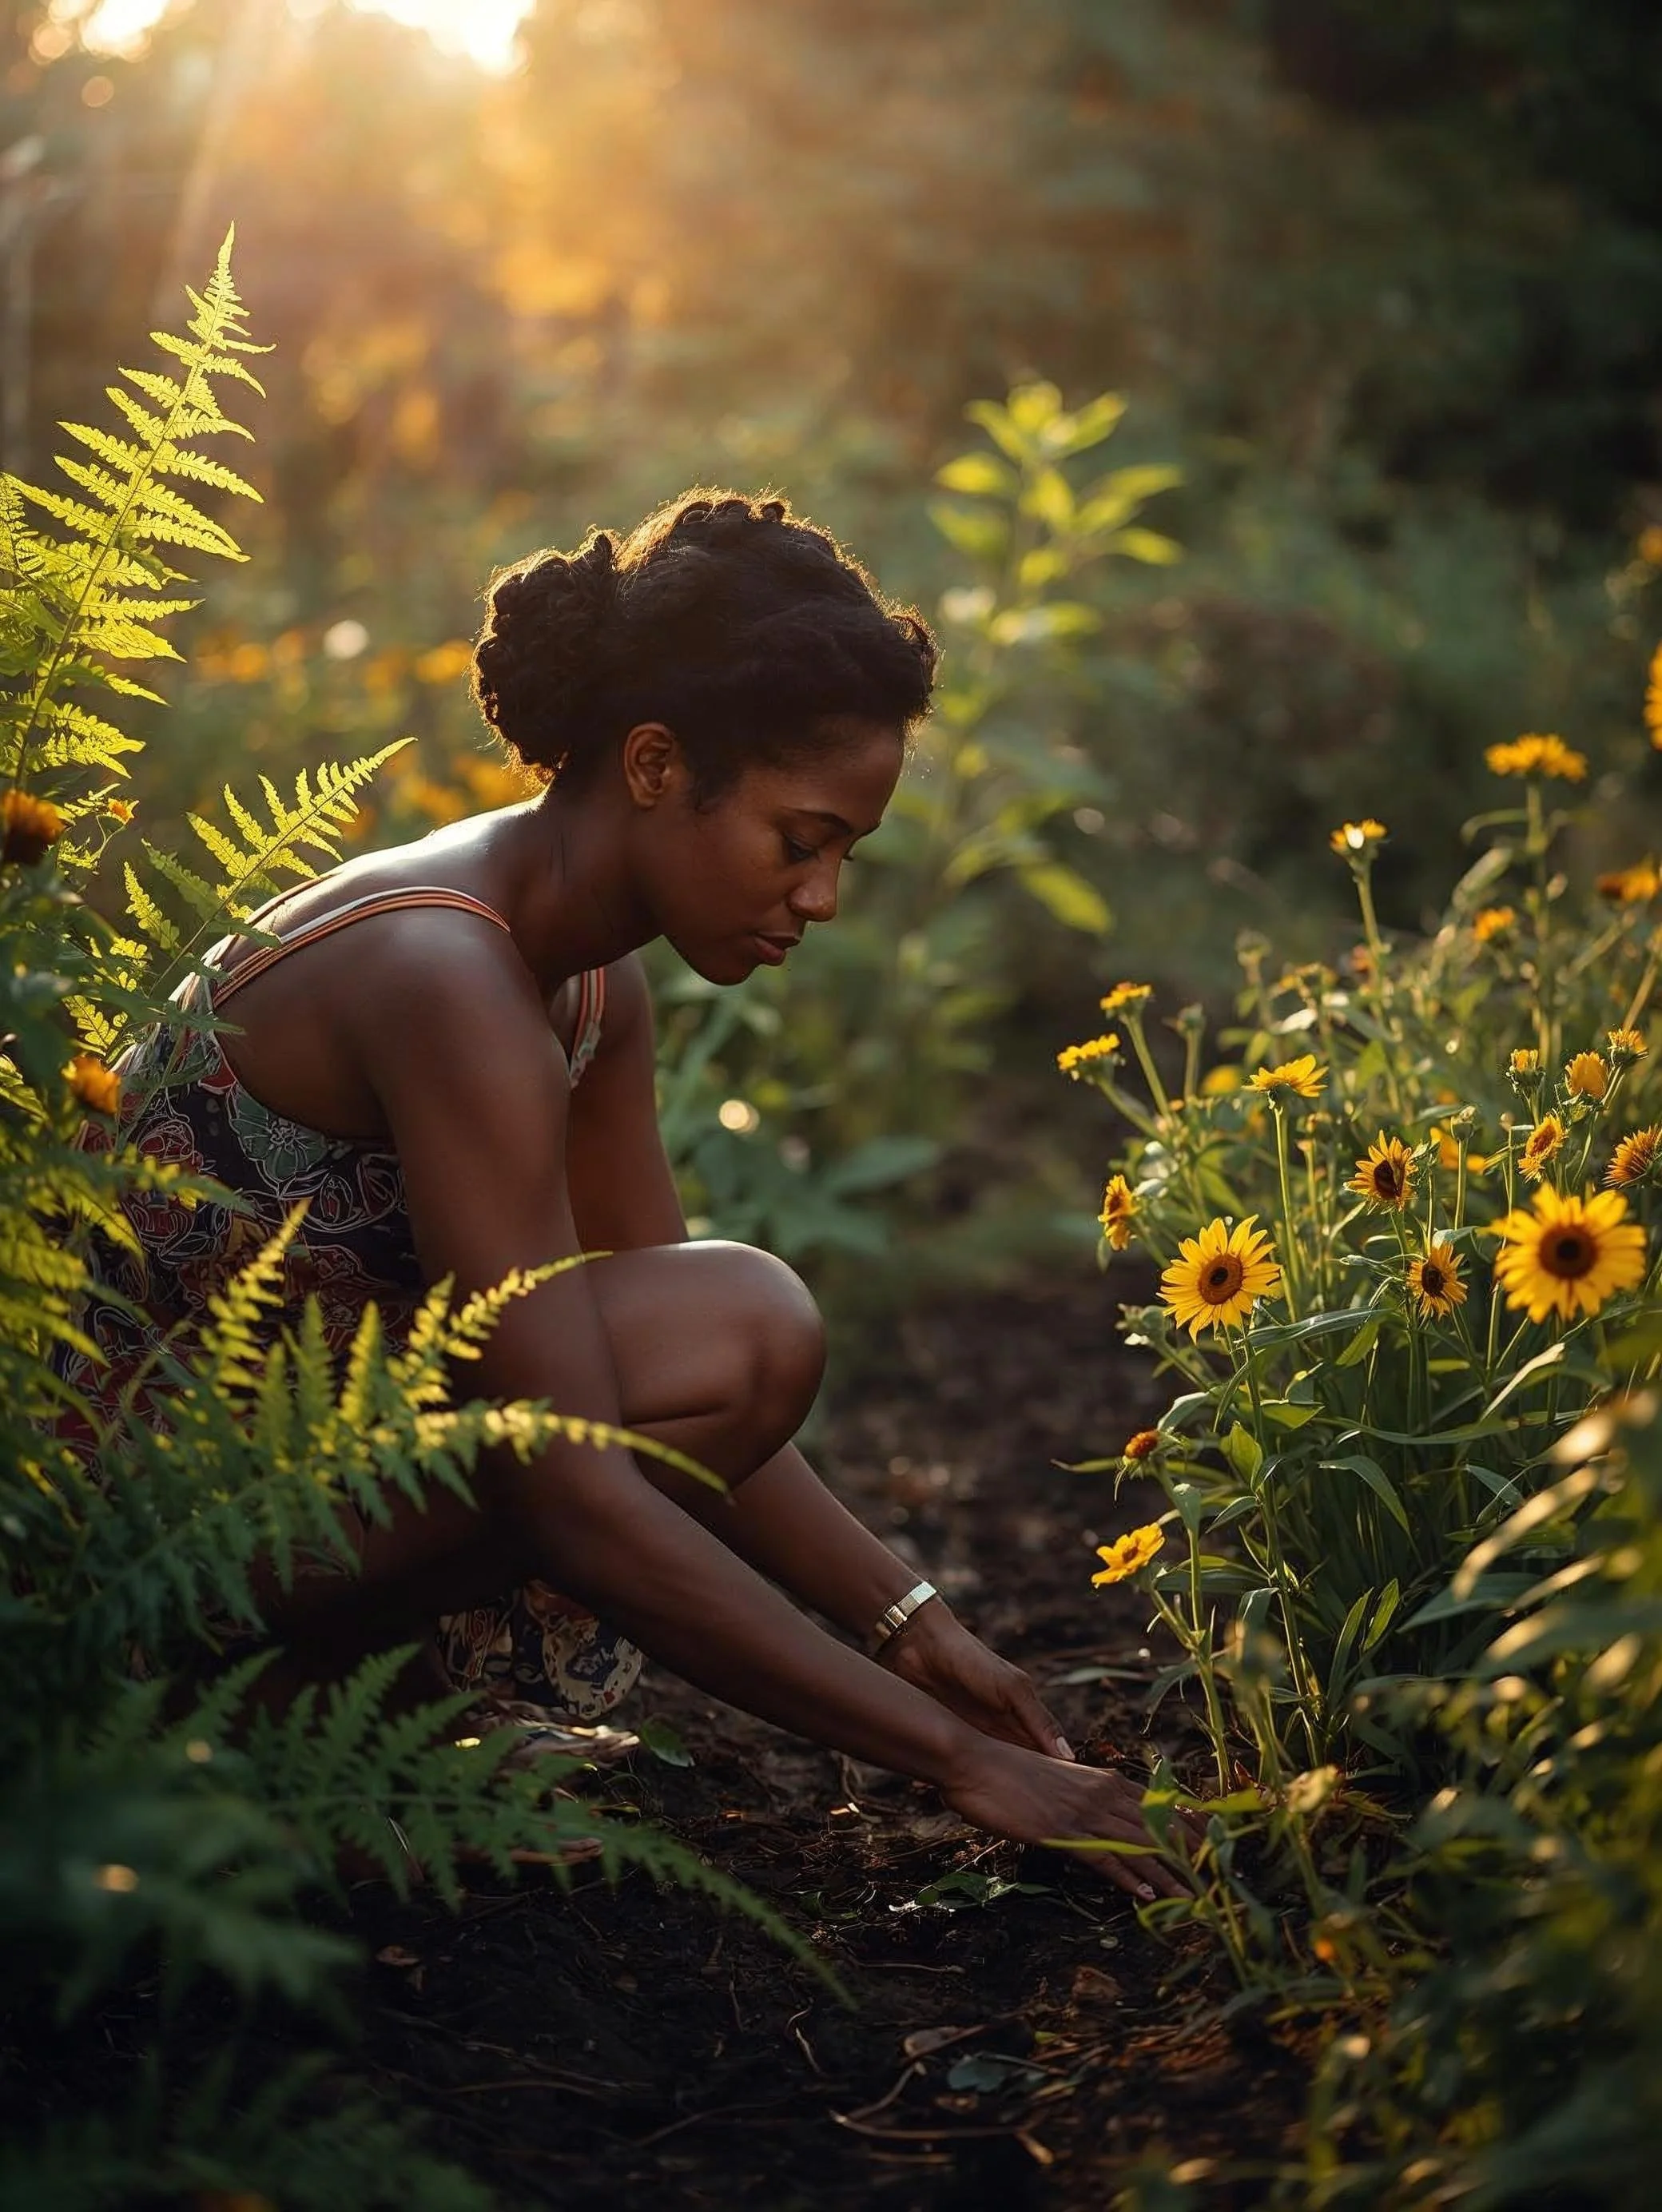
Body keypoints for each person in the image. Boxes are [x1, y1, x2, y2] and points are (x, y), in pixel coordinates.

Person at [62, 491, 1187, 1900]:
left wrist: (913, 1622)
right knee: (747, 1318)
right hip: (101, 1557)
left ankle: (312, 1715)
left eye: (847, 853)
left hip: (258, 1485)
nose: (825, 897)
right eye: (802, 838)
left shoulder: (588, 978)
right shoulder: (448, 978)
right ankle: (242, 1724)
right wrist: (964, 1767)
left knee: (728, 1331)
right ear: (655, 765)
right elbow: (571, 1471)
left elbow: (671, 1393)